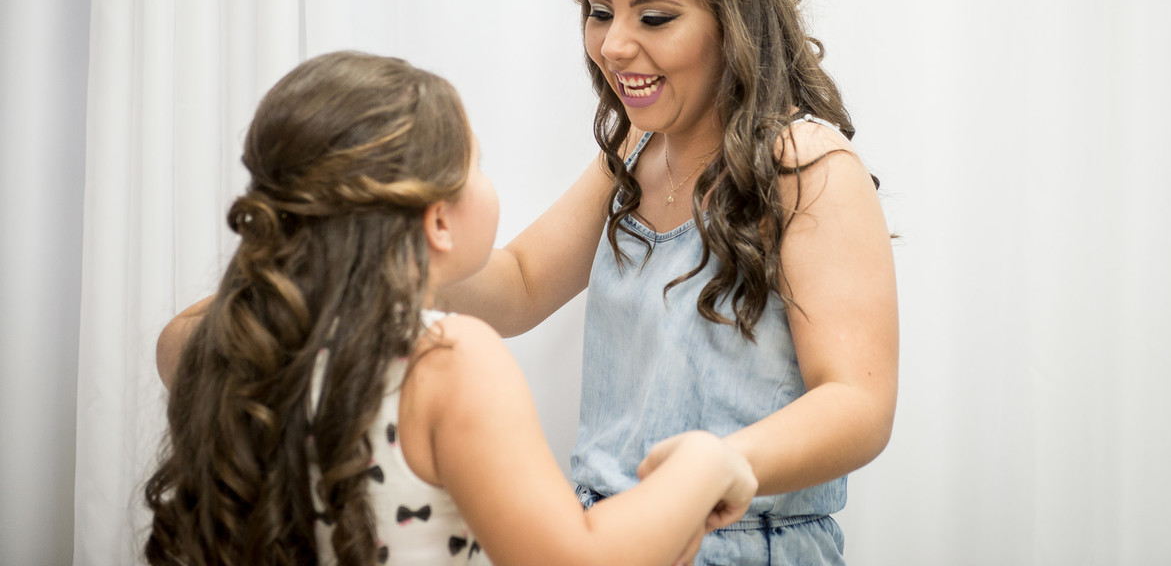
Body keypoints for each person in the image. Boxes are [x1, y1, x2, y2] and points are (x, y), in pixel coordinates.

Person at [436, 0, 899, 564]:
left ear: (732, 21)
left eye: (654, 17)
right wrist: (401, 245)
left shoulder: (806, 166)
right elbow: (520, 286)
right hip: (605, 541)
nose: (615, 46)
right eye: (599, 12)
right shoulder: (634, 149)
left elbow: (858, 404)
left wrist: (721, 464)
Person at [145, 51, 757, 566]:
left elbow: (211, 321)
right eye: (476, 165)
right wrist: (705, 464)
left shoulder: (215, 343)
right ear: (438, 221)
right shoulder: (450, 361)